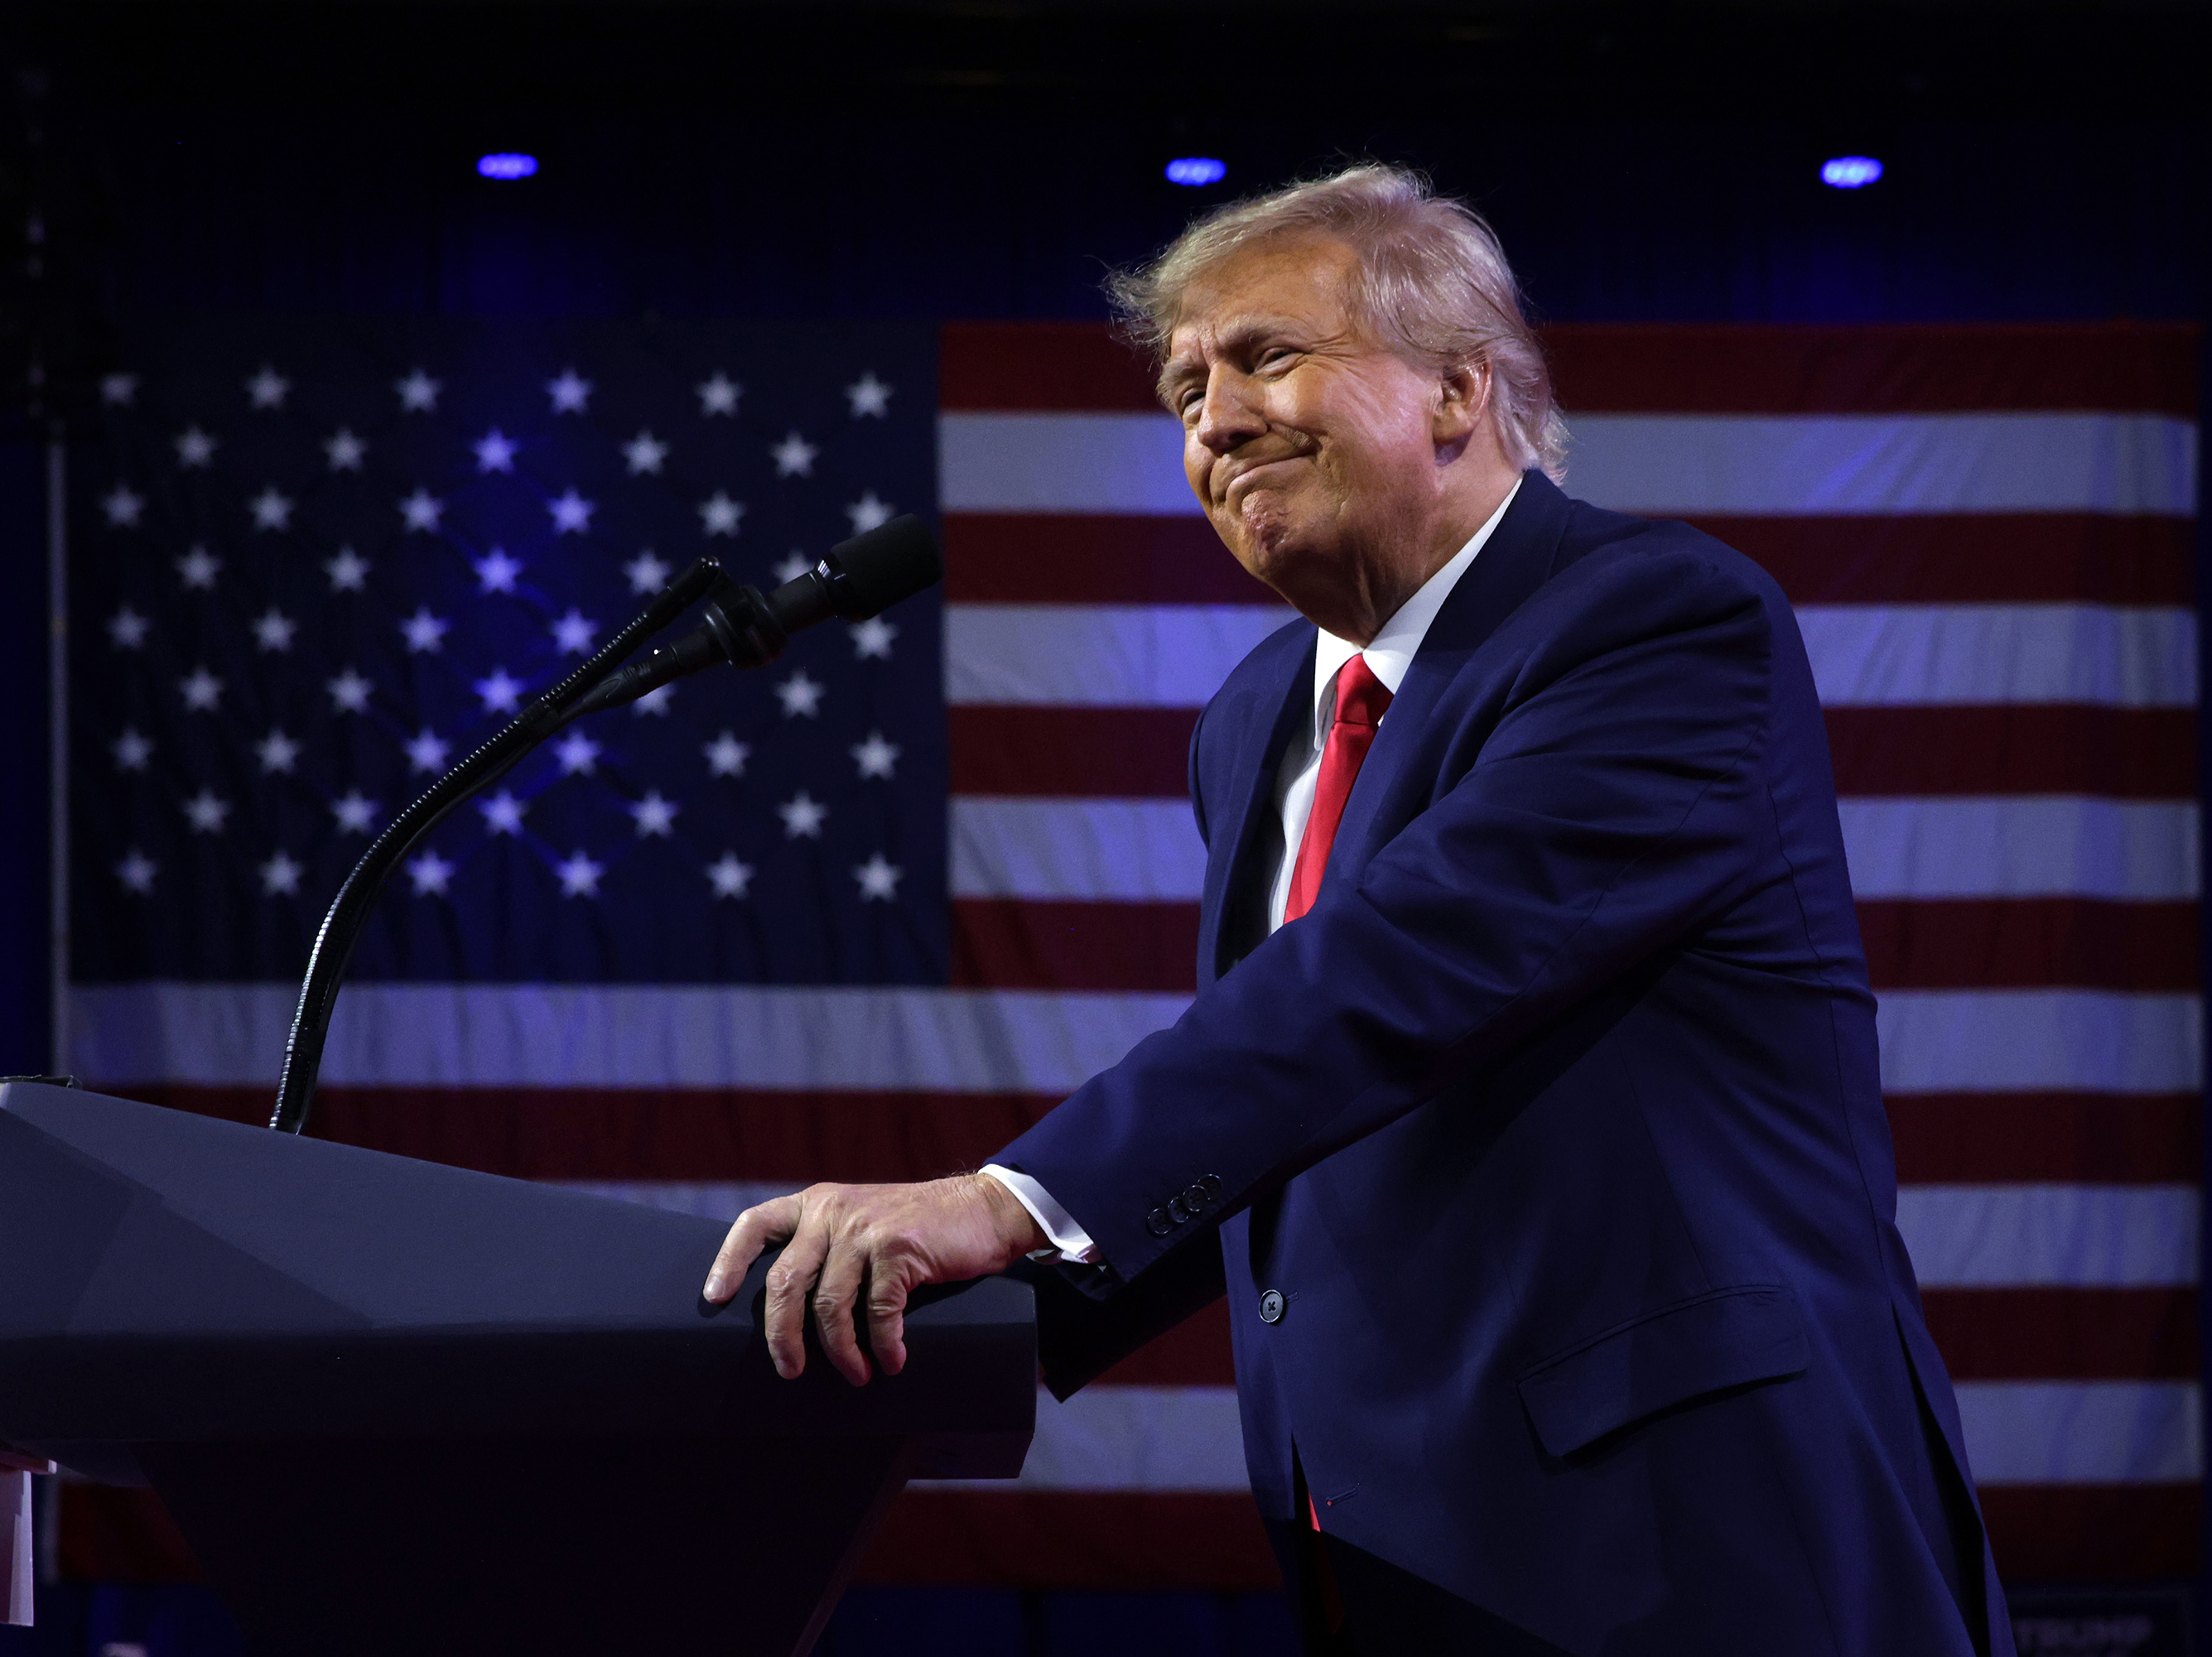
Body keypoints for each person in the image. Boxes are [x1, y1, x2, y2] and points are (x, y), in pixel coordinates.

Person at [704, 164, 2011, 1656]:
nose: (1213, 418)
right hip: (1376, 1536)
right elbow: (1284, 1115)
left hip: (1687, 1521)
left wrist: (999, 1202)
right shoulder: (1256, 714)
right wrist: (938, 1320)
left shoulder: (1655, 621)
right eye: (1185, 388)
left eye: (1266, 357)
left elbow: (1399, 975)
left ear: (1459, 390)